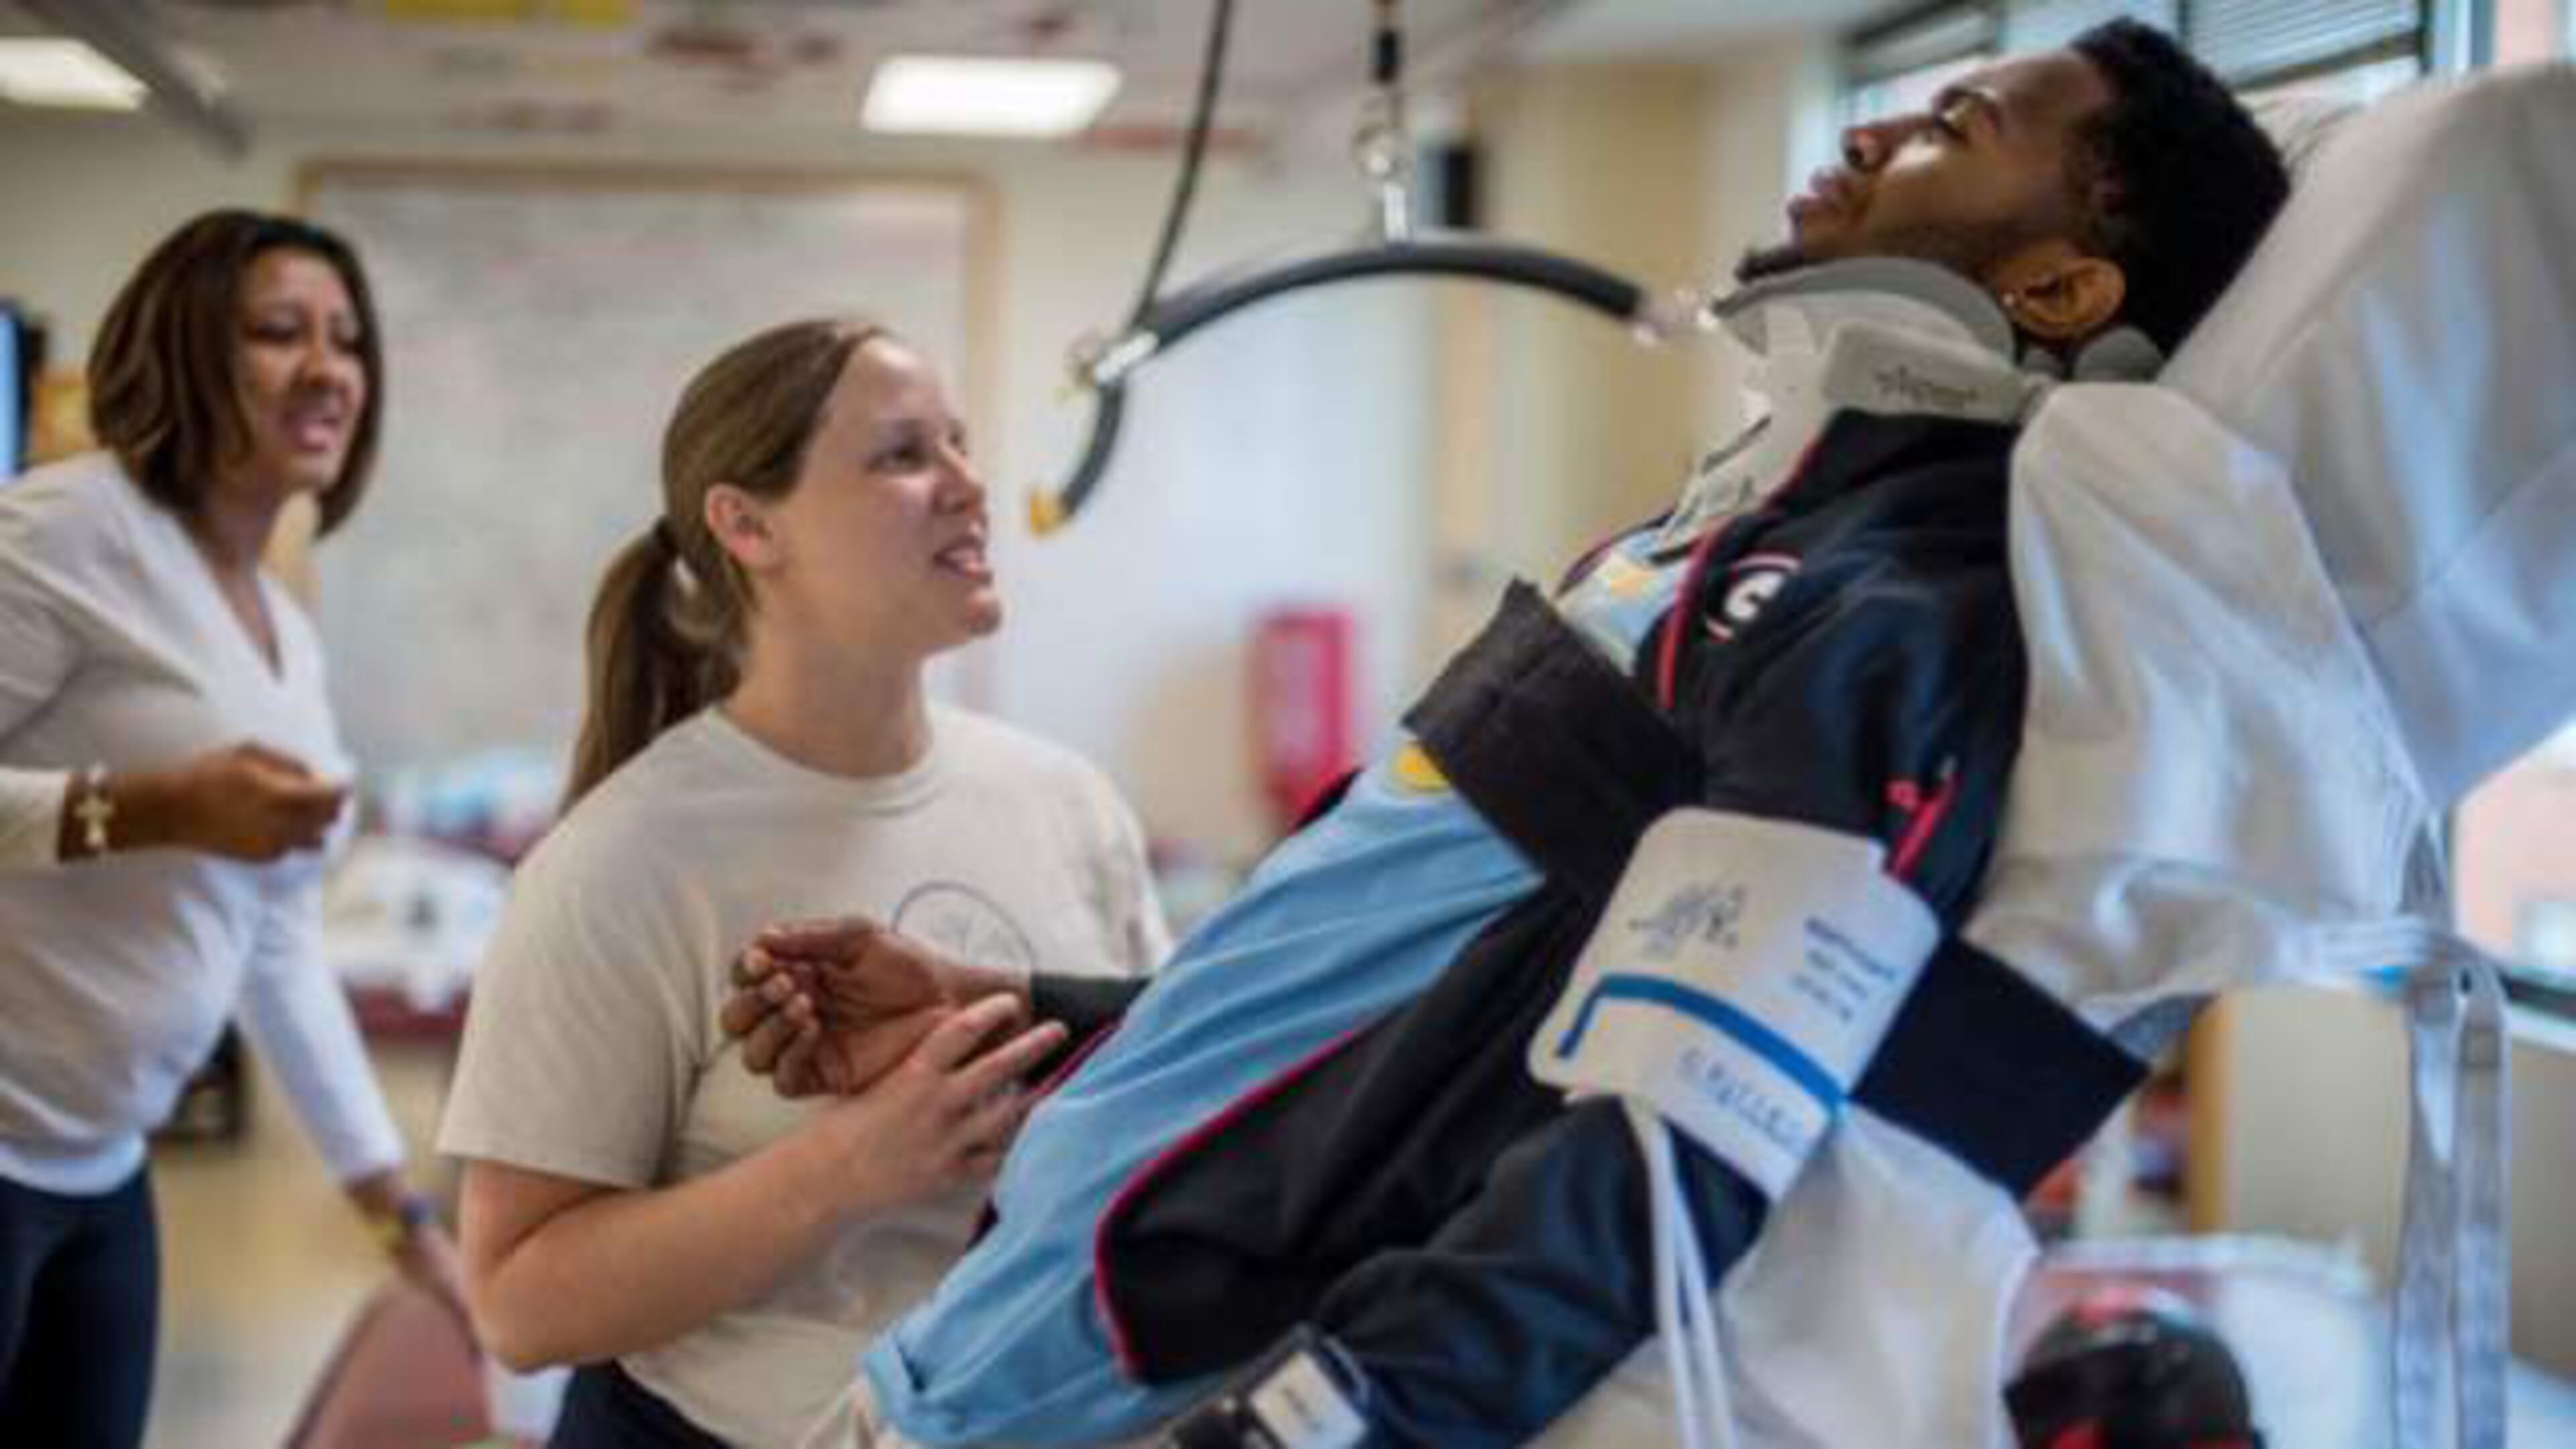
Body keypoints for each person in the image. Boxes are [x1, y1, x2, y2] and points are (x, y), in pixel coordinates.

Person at [726, 21, 2294, 1449]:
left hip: (1117, 1396)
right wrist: (1026, 1015)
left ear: (2062, 292)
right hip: (975, 1348)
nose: (1877, 130)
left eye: (1954, 121)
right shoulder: (1733, 540)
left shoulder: (1890, 617)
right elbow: (1396, 981)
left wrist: (1319, 1428)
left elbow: (1674, 1148)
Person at [436, 317, 1169, 1449]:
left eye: (961, 445)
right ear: (746, 524)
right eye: (904, 455)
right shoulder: (622, 863)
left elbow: (1171, 1100)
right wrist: (846, 1169)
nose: (971, 487)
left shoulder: (1069, 803)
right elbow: (519, 1302)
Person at [0, 209, 465, 1446]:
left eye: (347, 340)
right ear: (186, 351)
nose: (329, 368)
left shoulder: (280, 632)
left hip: (103, 1169)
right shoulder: (69, 527)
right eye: (278, 333)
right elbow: (160, 818)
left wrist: (401, 1223)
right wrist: (148, 807)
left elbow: (272, 945)